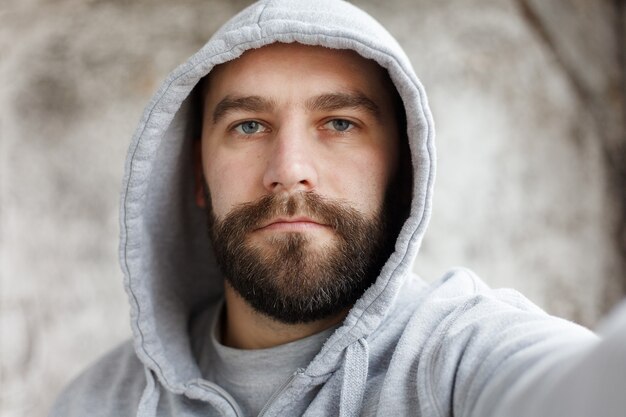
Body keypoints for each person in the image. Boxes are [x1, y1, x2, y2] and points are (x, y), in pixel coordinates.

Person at [49, 1, 626, 416]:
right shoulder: (99, 401)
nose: (289, 166)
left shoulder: (457, 357)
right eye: (248, 125)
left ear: (401, 172)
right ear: (197, 174)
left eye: (340, 123)